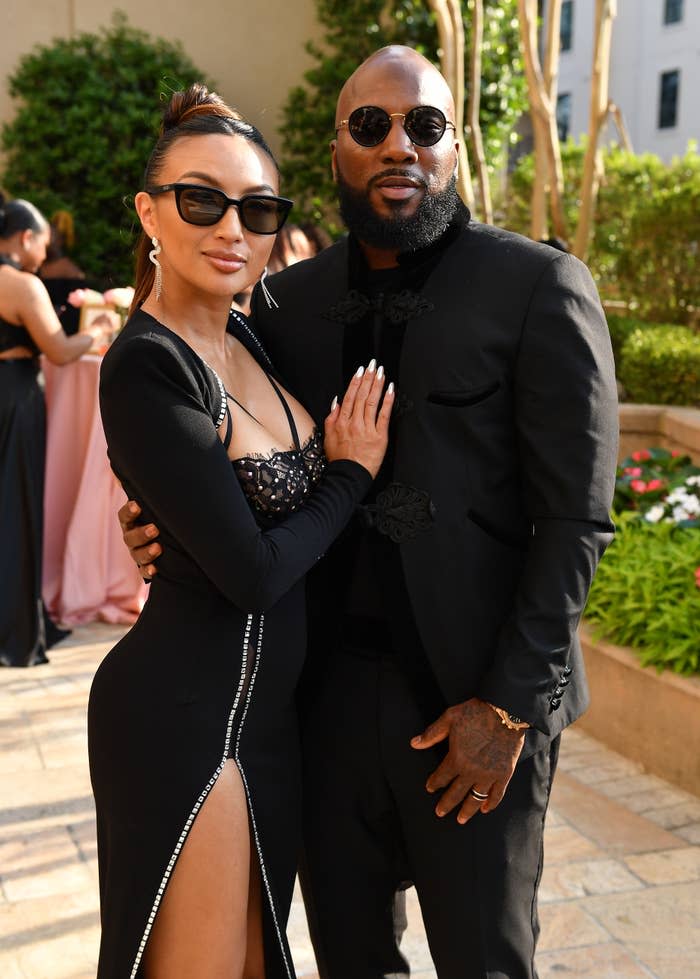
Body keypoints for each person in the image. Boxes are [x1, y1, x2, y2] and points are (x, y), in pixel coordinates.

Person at [121, 47, 619, 979]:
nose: (400, 146)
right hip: (318, 708)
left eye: (424, 126)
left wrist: (510, 706)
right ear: (338, 146)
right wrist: (160, 519)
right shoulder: (281, 303)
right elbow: (218, 436)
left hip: (478, 709)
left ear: (455, 147)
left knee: (486, 960)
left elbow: (577, 520)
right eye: (371, 126)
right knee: (349, 959)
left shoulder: (539, 288)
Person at [89, 83, 393, 979]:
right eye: (200, 199)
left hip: (266, 721)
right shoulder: (147, 366)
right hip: (189, 717)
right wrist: (350, 472)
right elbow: (255, 574)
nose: (232, 227)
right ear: (149, 213)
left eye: (256, 207)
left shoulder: (247, 336)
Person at [0, 194, 108, 668]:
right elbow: (61, 350)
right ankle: (16, 628)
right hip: (16, 394)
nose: (45, 254)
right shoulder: (22, 284)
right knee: (16, 503)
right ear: (25, 238)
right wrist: (99, 331)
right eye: (43, 244)